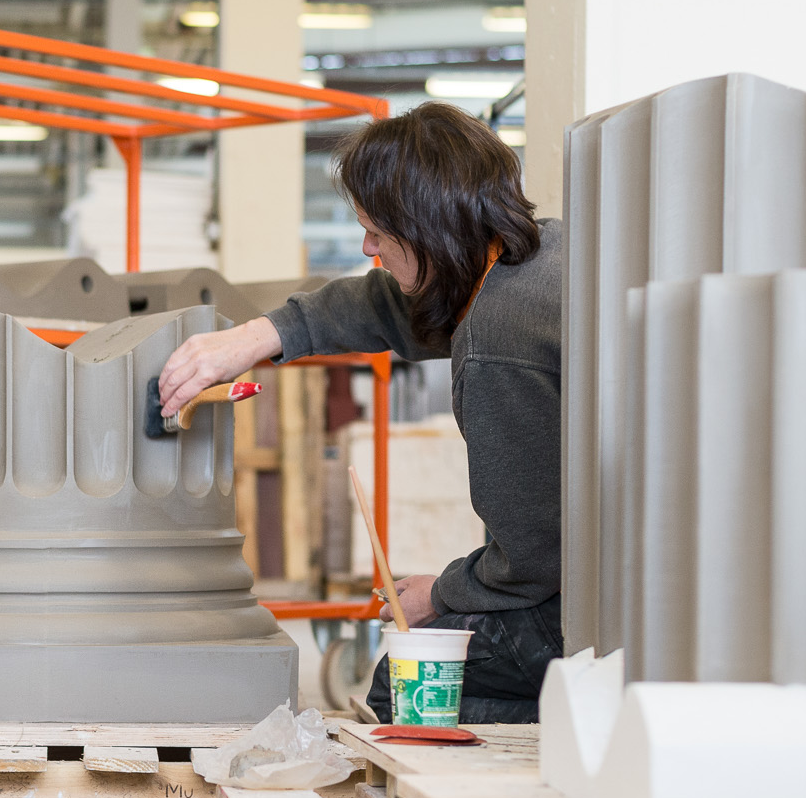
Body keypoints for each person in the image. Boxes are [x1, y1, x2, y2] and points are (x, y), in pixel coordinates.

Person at [157, 101, 562, 723]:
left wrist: (443, 591)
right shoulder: (540, 254)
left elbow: (533, 559)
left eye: (378, 231)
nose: (368, 248)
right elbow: (391, 305)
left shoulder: (498, 345)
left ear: (431, 230)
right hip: (655, 579)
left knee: (407, 685)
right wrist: (260, 337)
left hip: (602, 609)